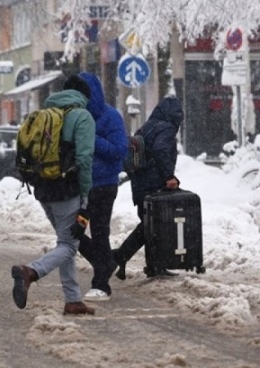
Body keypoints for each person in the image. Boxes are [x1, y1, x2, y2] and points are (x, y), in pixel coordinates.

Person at [11, 74, 96, 315]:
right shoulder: (82, 117)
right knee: (68, 245)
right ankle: (31, 271)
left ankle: (73, 299)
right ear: (84, 96)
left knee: (65, 242)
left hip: (43, 188)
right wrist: (86, 195)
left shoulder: (45, 113)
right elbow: (84, 160)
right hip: (67, 189)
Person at [113, 96, 184, 279]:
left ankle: (151, 265)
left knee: (150, 226)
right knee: (154, 225)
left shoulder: (147, 126)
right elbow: (161, 150)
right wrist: (169, 176)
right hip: (153, 184)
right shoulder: (166, 128)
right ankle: (122, 256)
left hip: (140, 183)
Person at [76, 72, 128, 301]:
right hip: (81, 186)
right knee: (73, 231)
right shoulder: (74, 117)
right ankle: (105, 262)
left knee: (99, 232)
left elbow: (119, 150)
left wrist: (91, 138)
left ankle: (101, 284)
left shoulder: (110, 117)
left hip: (104, 186)